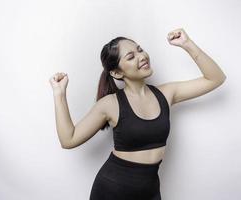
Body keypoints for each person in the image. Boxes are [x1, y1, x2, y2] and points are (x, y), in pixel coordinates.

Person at [49, 28, 226, 200]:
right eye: (131, 56)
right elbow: (69, 139)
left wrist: (187, 44)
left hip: (150, 191)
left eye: (140, 50)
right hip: (112, 191)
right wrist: (59, 94)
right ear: (117, 73)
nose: (142, 56)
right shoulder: (110, 104)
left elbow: (215, 78)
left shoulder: (166, 93)